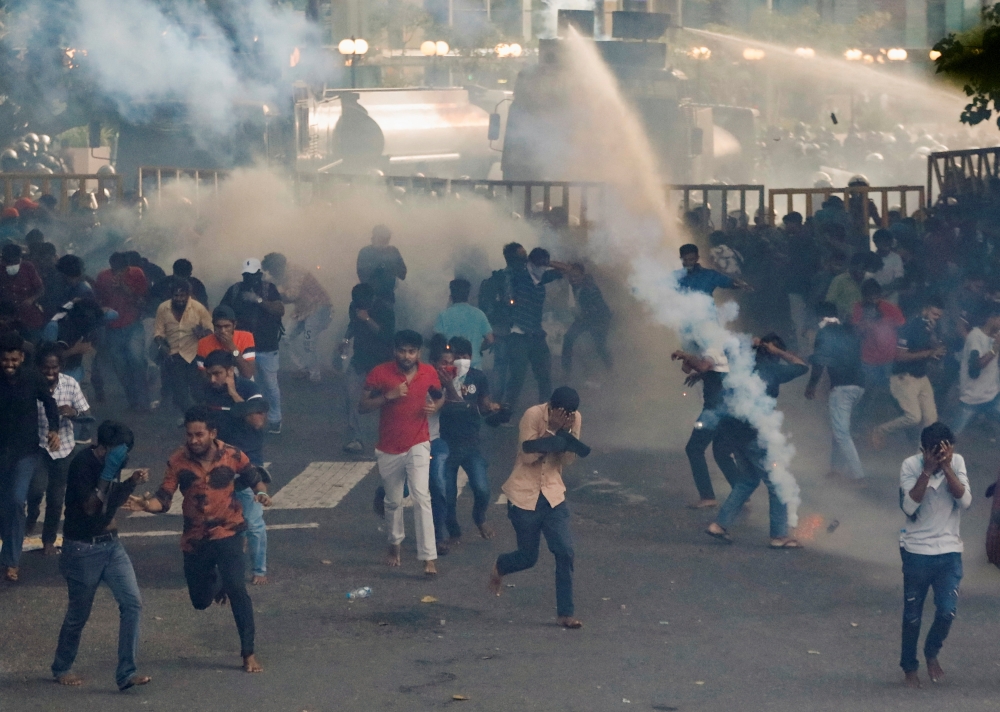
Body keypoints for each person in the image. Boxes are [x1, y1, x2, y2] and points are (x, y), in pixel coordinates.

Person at [125, 406, 270, 674]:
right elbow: (163, 499)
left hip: (228, 531)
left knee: (238, 590)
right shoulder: (177, 461)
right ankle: (218, 581)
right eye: (189, 435)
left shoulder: (233, 454)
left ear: (212, 433)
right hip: (195, 540)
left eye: (199, 435)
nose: (193, 440)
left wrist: (261, 493)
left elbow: (255, 478)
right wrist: (146, 505)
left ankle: (248, 653)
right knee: (200, 601)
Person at [51, 420, 150, 691]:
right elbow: (91, 507)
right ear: (103, 447)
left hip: (111, 546)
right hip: (82, 549)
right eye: (118, 452)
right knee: (79, 614)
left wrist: (130, 482)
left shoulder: (113, 463)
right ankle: (61, 667)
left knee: (132, 604)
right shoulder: (83, 464)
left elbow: (110, 501)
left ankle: (126, 673)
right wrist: (107, 474)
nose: (122, 458)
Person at [488, 386, 584, 629]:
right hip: (523, 495)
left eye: (570, 415)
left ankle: (565, 613)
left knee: (565, 551)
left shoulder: (575, 419)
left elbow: (568, 460)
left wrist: (565, 434)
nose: (566, 417)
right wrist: (551, 430)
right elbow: (528, 456)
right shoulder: (533, 415)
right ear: (550, 407)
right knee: (528, 557)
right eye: (561, 413)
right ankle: (501, 566)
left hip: (552, 494)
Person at [359, 330, 443, 575]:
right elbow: (362, 406)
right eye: (402, 351)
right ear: (395, 351)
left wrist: (435, 406)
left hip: (419, 442)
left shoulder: (429, 372)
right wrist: (389, 396)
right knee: (393, 501)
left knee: (421, 497)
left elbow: (440, 397)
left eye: (411, 351)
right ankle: (394, 544)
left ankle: (428, 558)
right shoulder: (380, 373)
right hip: (388, 447)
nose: (407, 356)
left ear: (419, 353)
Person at [897, 423, 971, 688]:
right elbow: (909, 507)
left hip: (949, 551)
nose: (940, 459)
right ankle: (909, 667)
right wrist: (927, 471)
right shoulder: (910, 466)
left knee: (947, 611)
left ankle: (931, 651)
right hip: (917, 551)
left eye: (945, 453)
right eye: (935, 454)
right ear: (923, 451)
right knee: (912, 615)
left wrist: (948, 468)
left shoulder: (956, 462)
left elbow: (965, 501)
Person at [201, 350, 270, 584]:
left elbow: (257, 422)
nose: (213, 380)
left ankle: (259, 570)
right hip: (218, 464)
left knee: (252, 521)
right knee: (217, 519)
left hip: (248, 464)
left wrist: (233, 394)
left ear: (230, 371)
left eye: (218, 374)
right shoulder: (207, 392)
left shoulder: (249, 390)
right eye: (209, 375)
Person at [0, 332, 60, 581]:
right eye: (5, 360)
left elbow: (50, 403)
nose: (10, 365)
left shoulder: (33, 377)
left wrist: (54, 429)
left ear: (22, 358)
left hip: (25, 452)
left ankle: (11, 561)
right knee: (5, 505)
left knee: (16, 501)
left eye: (14, 360)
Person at [26, 343, 91, 556]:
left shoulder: (70, 384)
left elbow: (87, 415)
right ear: (38, 367)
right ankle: (32, 514)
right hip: (38, 447)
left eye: (54, 367)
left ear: (60, 366)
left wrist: (74, 413)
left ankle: (48, 540)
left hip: (64, 449)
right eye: (46, 367)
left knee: (56, 498)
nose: (50, 372)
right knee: (36, 489)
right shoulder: (31, 385)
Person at [440, 336, 501, 544]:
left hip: (471, 443)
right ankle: (453, 531)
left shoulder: (478, 377)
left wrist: (493, 409)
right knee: (448, 494)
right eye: (455, 356)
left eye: (464, 356)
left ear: (470, 357)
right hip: (447, 443)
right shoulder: (441, 377)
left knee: (482, 488)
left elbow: (484, 405)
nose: (460, 360)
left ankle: (479, 517)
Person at [671, 346, 742, 509]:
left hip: (715, 411)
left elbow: (703, 366)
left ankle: (707, 496)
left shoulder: (713, 347)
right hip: (726, 410)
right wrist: (695, 368)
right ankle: (741, 494)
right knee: (721, 452)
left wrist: (686, 355)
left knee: (694, 449)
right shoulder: (712, 349)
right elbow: (688, 369)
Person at [872, 298, 947, 449]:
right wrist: (929, 353)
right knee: (914, 417)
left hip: (922, 377)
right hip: (904, 377)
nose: (936, 318)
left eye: (939, 315)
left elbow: (936, 348)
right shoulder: (910, 326)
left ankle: (922, 456)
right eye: (934, 314)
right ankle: (880, 430)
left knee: (931, 421)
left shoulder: (934, 328)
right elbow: (900, 356)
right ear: (925, 310)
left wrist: (936, 345)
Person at [220, 259, 284, 433]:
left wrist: (258, 300)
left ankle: (275, 419)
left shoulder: (269, 289)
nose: (250, 278)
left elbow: (279, 310)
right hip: (242, 347)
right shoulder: (235, 290)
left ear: (259, 274)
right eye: (246, 275)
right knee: (245, 384)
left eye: (253, 275)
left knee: (270, 385)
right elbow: (222, 312)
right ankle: (248, 420)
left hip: (267, 346)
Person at [806, 302, 867, 482]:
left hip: (842, 388)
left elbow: (819, 362)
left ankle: (859, 476)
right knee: (840, 429)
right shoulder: (849, 330)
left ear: (820, 317)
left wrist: (811, 385)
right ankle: (835, 467)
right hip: (860, 386)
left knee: (841, 433)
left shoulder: (825, 333)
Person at [504, 246, 566, 410]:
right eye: (539, 265)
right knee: (517, 376)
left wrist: (547, 262)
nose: (541, 268)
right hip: (519, 335)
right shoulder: (519, 277)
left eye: (544, 266)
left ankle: (546, 410)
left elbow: (566, 269)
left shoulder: (542, 278)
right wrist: (528, 260)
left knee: (544, 375)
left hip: (537, 334)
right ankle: (507, 410)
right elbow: (510, 269)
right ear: (530, 263)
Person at [262, 252, 332, 384]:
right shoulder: (282, 273)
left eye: (271, 270)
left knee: (309, 341)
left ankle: (314, 376)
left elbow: (292, 295)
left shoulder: (295, 272)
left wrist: (271, 293)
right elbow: (273, 283)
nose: (271, 273)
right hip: (303, 309)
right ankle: (303, 368)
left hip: (318, 306)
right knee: (285, 337)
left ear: (277, 267)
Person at [340, 283, 394, 454]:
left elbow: (387, 336)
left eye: (363, 304)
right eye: (357, 303)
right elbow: (352, 324)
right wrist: (345, 340)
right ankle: (355, 438)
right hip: (359, 360)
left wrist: (368, 320)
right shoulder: (354, 307)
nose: (359, 307)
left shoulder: (385, 310)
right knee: (351, 397)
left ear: (372, 299)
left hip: (381, 362)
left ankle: (392, 437)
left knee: (390, 401)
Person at [94, 252, 149, 411]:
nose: (119, 273)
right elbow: (98, 299)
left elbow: (142, 298)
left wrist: (124, 287)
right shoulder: (103, 277)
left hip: (133, 325)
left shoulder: (137, 273)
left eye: (122, 270)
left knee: (137, 361)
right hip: (112, 328)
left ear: (127, 267)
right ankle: (132, 400)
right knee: (120, 367)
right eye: (116, 270)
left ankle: (143, 402)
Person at [153, 280, 213, 418]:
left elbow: (210, 329)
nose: (179, 299)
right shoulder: (163, 308)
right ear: (171, 295)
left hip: (195, 355)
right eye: (176, 295)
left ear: (188, 295)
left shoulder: (198, 308)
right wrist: (162, 346)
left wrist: (202, 334)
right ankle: (193, 418)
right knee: (180, 393)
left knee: (198, 392)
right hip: (173, 356)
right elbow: (158, 332)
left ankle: (200, 417)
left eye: (183, 296)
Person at [951, 303, 1000, 435]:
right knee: (953, 433)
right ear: (992, 318)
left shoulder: (996, 336)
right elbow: (976, 365)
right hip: (972, 397)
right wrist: (995, 348)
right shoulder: (975, 336)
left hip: (992, 395)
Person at [852, 278, 905, 393]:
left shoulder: (890, 308)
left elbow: (903, 329)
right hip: (868, 357)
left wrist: (900, 351)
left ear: (880, 296)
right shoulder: (859, 307)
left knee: (888, 389)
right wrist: (866, 322)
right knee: (869, 389)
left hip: (889, 357)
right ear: (864, 297)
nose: (873, 301)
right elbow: (856, 333)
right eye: (869, 298)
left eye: (875, 298)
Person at [561, 263, 612, 378]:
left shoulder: (590, 288)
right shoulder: (573, 285)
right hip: (584, 319)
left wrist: (599, 323)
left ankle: (611, 371)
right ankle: (566, 372)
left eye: (576, 276)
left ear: (582, 276)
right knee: (568, 338)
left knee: (600, 346)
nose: (573, 279)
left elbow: (601, 308)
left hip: (597, 320)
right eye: (571, 276)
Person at [433, 278, 493, 369]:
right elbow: (490, 339)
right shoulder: (479, 314)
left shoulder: (443, 315)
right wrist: (476, 349)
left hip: (451, 367)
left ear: (451, 297)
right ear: (468, 296)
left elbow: (438, 341)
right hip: (474, 367)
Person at [0, 242, 45, 340]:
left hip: (29, 317)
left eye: (15, 262)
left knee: (32, 342)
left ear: (20, 259)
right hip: (7, 319)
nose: (12, 265)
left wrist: (31, 299)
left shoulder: (28, 267)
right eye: (9, 262)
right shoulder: (1, 270)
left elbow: (41, 289)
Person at [197, 305, 256, 379]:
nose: (223, 331)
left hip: (241, 381)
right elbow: (204, 377)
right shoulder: (203, 343)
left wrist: (232, 348)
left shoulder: (246, 337)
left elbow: (248, 374)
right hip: (215, 382)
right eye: (218, 327)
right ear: (213, 325)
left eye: (227, 326)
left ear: (234, 325)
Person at [356, 224, 407, 302]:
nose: (384, 241)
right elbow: (363, 276)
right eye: (381, 238)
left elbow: (403, 274)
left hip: (388, 297)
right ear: (375, 237)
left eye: (386, 239)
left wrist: (390, 266)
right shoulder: (365, 252)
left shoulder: (393, 251)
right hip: (370, 299)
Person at [673, 243, 749, 295]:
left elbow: (728, 282)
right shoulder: (674, 277)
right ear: (681, 259)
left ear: (697, 258)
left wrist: (742, 284)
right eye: (685, 260)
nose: (688, 263)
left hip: (705, 313)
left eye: (691, 259)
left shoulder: (709, 275)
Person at [825, 251, 868, 322]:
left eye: (864, 268)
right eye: (859, 267)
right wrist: (842, 315)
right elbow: (829, 303)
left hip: (862, 323)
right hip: (842, 322)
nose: (861, 271)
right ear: (852, 266)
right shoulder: (840, 280)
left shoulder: (867, 282)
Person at [871, 229, 904, 302]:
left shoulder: (896, 258)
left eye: (887, 241)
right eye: (881, 241)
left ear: (890, 242)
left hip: (891, 299)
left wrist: (883, 289)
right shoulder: (871, 258)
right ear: (875, 243)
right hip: (873, 298)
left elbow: (899, 279)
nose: (884, 243)